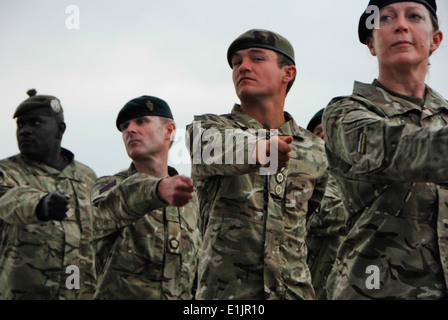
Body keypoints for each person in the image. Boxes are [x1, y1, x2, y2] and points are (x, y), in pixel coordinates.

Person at [186, 29, 328, 300]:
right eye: (237, 62)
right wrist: (260, 149)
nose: (243, 67)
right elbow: (209, 147)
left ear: (288, 73)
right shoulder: (207, 127)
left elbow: (316, 222)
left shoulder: (315, 150)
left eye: (257, 59)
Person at [323, 0, 448, 299]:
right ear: (371, 43)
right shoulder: (345, 113)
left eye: (414, 16)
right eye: (386, 19)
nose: (400, 25)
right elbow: (392, 148)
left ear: (435, 39)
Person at [91, 95, 201, 300]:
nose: (130, 130)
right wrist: (158, 189)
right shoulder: (108, 187)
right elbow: (101, 213)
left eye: (141, 121)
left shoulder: (192, 200)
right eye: (125, 127)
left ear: (168, 131)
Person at [0, 89, 97, 299]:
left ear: (60, 130)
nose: (25, 130)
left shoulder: (87, 177)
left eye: (35, 123)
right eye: (20, 124)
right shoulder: (6, 172)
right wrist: (41, 204)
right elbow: (8, 201)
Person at [305, 108, 348, 300]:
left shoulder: (356, 177)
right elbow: (321, 214)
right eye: (317, 133)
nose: (322, 138)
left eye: (328, 132)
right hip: (315, 283)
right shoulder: (308, 175)